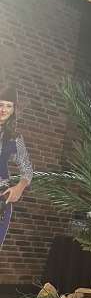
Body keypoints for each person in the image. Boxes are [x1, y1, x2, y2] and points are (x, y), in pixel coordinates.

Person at [0, 85, 33, 249]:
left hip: (1, 198)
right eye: (1, 104)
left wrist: (19, 188)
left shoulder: (14, 138)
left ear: (13, 110)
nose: (3, 109)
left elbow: (27, 169)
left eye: (9, 106)